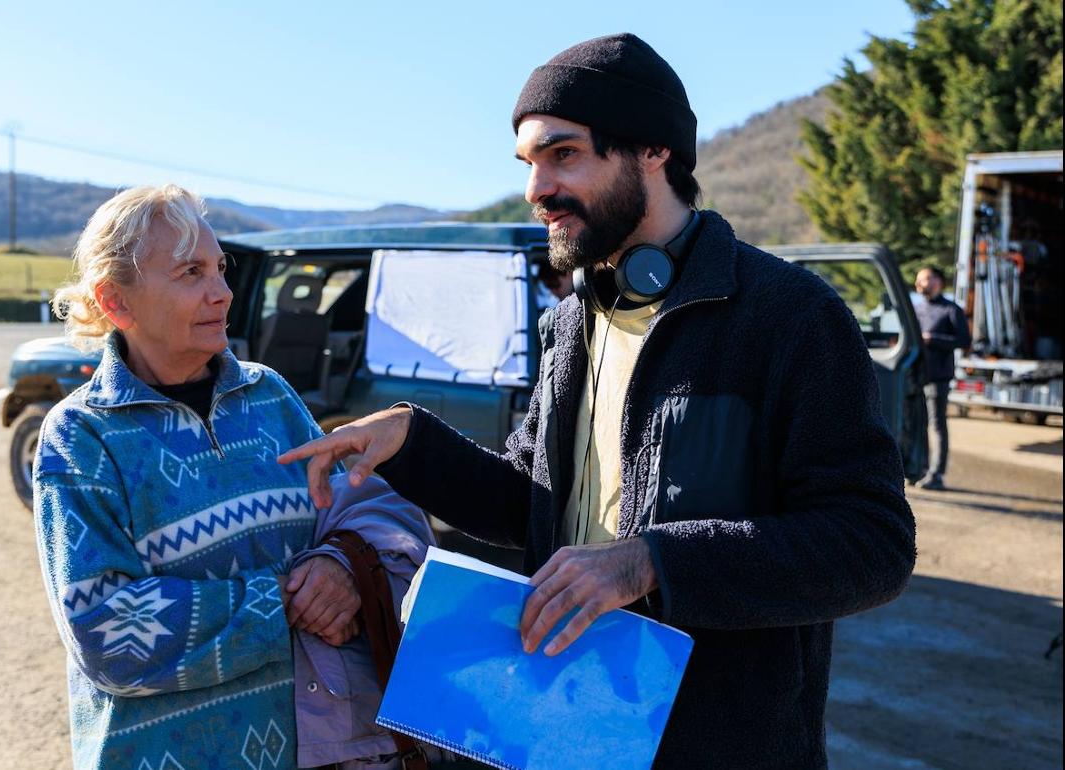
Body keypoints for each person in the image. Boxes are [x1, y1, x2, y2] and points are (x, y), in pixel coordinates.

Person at [279, 34, 915, 769]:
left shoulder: (789, 319)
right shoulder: (570, 324)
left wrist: (650, 563)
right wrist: (410, 441)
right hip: (561, 731)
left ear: (653, 151)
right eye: (528, 164)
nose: (535, 188)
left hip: (715, 744)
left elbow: (873, 544)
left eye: (563, 154)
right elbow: (530, 504)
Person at [34, 184, 436, 770]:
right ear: (116, 301)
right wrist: (285, 605)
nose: (221, 293)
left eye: (220, 268)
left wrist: (341, 568)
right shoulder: (80, 436)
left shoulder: (267, 393)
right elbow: (107, 633)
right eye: (191, 272)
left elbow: (370, 508)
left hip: (320, 752)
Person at [913, 265, 971, 490]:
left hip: (939, 377)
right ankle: (921, 469)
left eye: (924, 279)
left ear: (937, 282)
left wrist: (933, 339)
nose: (919, 284)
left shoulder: (951, 310)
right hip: (917, 377)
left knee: (937, 425)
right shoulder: (916, 309)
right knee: (919, 425)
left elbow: (964, 342)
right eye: (918, 280)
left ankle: (937, 474)